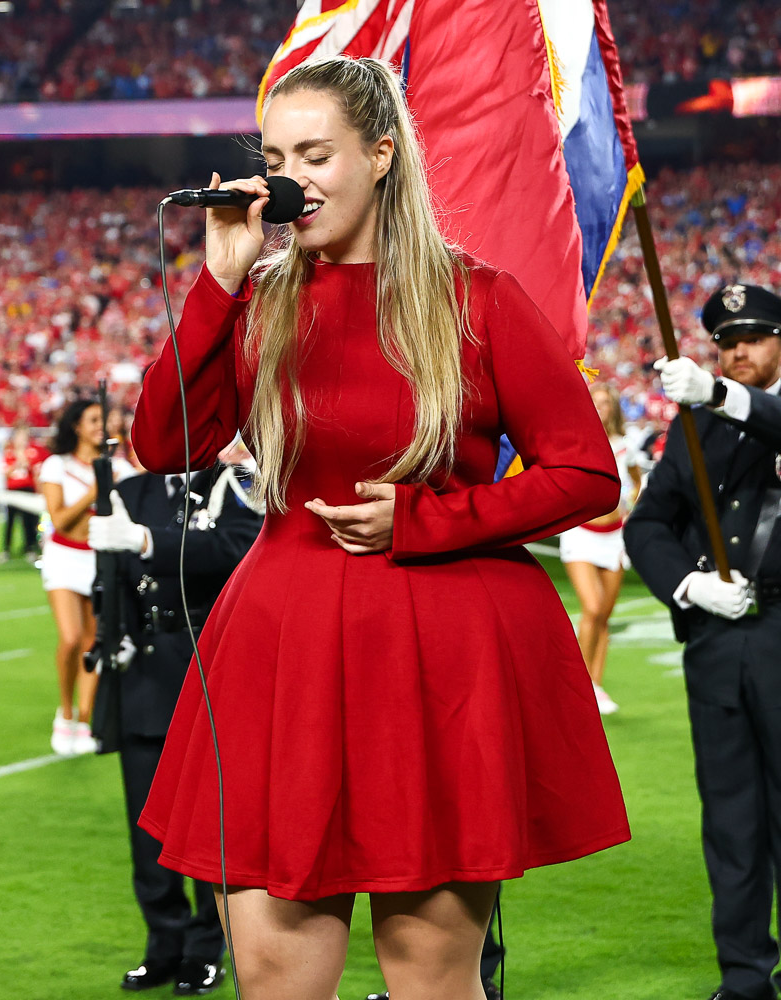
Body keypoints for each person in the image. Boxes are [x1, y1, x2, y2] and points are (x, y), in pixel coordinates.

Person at [129, 56, 628, 1000]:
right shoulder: (259, 300)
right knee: (274, 976)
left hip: (440, 651)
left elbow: (586, 475)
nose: (289, 178)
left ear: (383, 154)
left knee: (431, 976)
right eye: (275, 154)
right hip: (284, 645)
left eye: (315, 153)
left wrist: (430, 518)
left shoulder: (477, 297)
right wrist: (220, 283)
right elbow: (163, 444)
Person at [624, 283, 781, 1000]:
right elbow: (647, 525)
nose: (738, 352)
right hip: (718, 645)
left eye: (753, 339)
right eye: (727, 343)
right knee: (730, 823)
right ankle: (743, 980)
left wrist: (722, 396)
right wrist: (689, 587)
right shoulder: (695, 428)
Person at [87, 455, 262, 995]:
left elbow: (237, 546)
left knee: (208, 825)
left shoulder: (236, 482)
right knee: (144, 823)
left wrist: (144, 541)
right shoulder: (131, 489)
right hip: (140, 669)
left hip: (207, 665)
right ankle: (161, 943)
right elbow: (110, 574)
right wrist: (106, 629)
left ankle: (205, 949)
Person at [38, 399, 136, 755]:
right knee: (70, 636)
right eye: (94, 419)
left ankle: (84, 717)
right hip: (63, 557)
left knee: (95, 642)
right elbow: (60, 519)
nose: (101, 425)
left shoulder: (120, 468)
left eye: (105, 420)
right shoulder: (56, 466)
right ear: (76, 426)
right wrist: (97, 489)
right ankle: (64, 711)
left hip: (100, 560)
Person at [559, 382, 643, 715]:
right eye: (595, 401)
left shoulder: (626, 447)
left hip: (616, 535)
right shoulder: (575, 443)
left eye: (606, 402)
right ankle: (576, 685)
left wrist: (631, 504)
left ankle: (594, 685)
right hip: (580, 533)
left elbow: (637, 481)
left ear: (614, 408)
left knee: (604, 615)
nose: (600, 407)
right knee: (592, 607)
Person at [0, 425, 44, 562]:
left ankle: (29, 547)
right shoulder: (9, 453)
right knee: (10, 520)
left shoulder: (32, 452)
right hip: (13, 489)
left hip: (28, 488)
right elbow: (6, 472)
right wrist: (18, 462)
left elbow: (34, 470)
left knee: (29, 520)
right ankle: (6, 548)